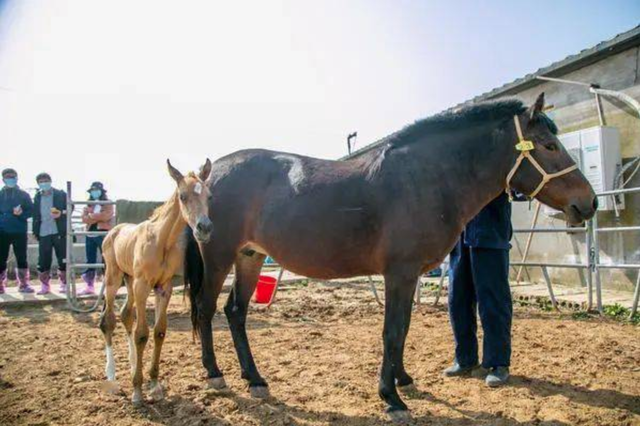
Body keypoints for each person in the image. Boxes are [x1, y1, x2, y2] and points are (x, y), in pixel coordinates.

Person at [443, 192, 516, 387]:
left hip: (490, 232)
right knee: (457, 299)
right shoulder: (457, 162)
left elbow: (520, 186)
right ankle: (465, 359)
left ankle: (498, 363)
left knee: (493, 300)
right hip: (459, 236)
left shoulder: (502, 160)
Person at [0, 168, 35, 293]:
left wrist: (21, 214)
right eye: (7, 177)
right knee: (1, 258)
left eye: (12, 177)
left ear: (17, 178)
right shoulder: (0, 194)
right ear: (3, 179)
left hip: (19, 231)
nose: (10, 179)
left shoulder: (23, 195)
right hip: (2, 232)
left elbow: (31, 210)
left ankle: (24, 284)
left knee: (21, 258)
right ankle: (1, 285)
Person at [33, 172, 67, 295]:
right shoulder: (37, 196)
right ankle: (45, 285)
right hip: (43, 232)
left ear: (50, 181)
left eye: (46, 180)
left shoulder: (61, 194)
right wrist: (34, 231)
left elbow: (70, 208)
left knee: (63, 258)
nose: (44, 183)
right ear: (38, 184)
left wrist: (61, 213)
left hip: (59, 231)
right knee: (43, 260)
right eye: (41, 181)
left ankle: (64, 283)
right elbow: (35, 214)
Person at [80, 182, 114, 295]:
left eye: (96, 190)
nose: (94, 192)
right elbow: (84, 219)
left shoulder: (107, 203)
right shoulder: (89, 204)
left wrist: (91, 216)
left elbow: (106, 216)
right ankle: (90, 285)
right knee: (90, 259)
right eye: (92, 190)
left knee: (106, 258)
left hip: (102, 233)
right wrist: (95, 217)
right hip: (90, 233)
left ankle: (108, 284)